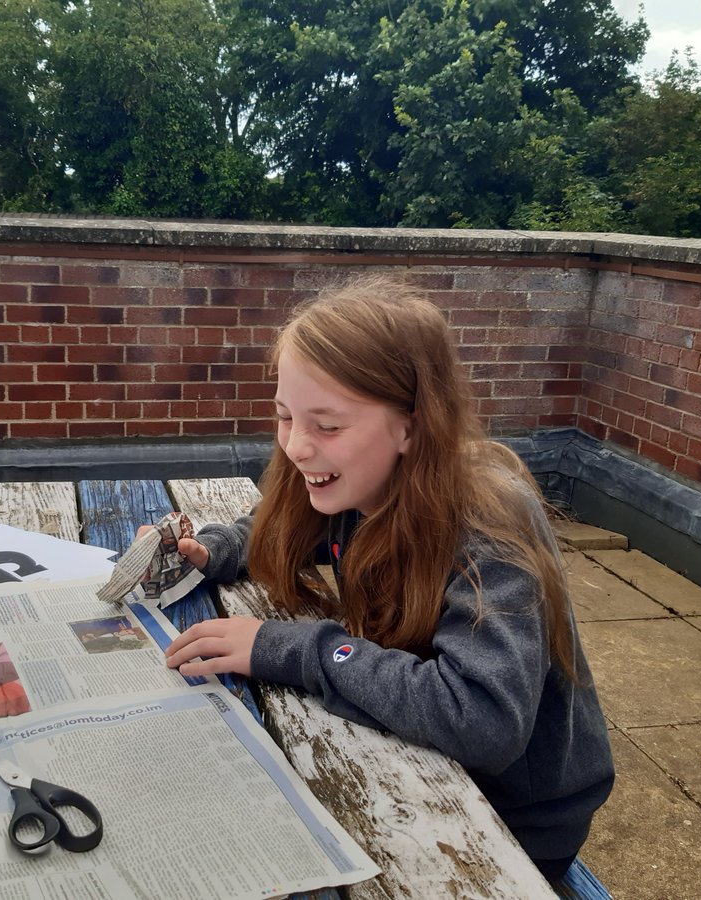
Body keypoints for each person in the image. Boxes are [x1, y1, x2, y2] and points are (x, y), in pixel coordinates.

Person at [162, 274, 614, 882]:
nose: (296, 446)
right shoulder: (361, 478)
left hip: (514, 821)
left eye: (327, 425)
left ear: (411, 425)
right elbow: (274, 527)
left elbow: (481, 719)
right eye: (284, 416)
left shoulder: (486, 528)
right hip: (419, 755)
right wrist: (207, 550)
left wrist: (287, 646)